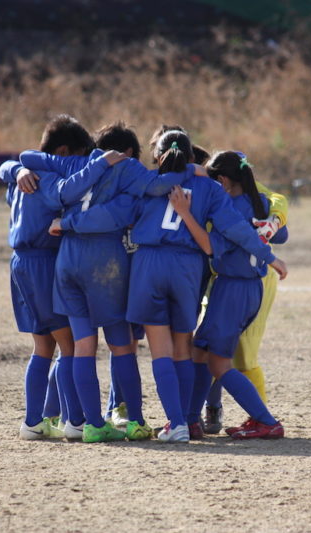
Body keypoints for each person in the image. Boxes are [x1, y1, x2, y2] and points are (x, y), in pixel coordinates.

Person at [19, 121, 205, 443]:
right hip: (104, 262)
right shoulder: (129, 168)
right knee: (121, 344)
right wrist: (190, 170)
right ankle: (135, 421)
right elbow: (159, 185)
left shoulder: (74, 162)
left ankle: (90, 424)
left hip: (67, 260)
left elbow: (27, 156)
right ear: (126, 152)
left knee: (82, 345)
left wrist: (16, 171)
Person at [122, 130, 287, 442]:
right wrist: (270, 256)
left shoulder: (146, 181)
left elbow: (122, 214)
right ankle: (188, 420)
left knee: (162, 352)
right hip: (188, 267)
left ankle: (178, 423)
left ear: (157, 156)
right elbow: (236, 228)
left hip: (149, 264)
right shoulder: (212, 188)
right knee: (187, 349)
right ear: (192, 157)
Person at [0, 121, 129, 441]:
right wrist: (99, 165)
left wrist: (14, 168)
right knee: (70, 345)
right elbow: (69, 191)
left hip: (19, 263)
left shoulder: (23, 175)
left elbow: (7, 168)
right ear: (63, 152)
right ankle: (77, 421)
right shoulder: (47, 179)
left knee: (43, 346)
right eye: (78, 157)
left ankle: (33, 422)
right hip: (44, 262)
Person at [181, 151, 287, 439]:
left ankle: (266, 421)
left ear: (223, 181)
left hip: (233, 289)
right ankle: (190, 421)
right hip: (249, 288)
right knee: (200, 351)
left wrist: (185, 214)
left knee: (218, 363)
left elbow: (210, 246)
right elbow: (282, 233)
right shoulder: (260, 201)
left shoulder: (230, 207)